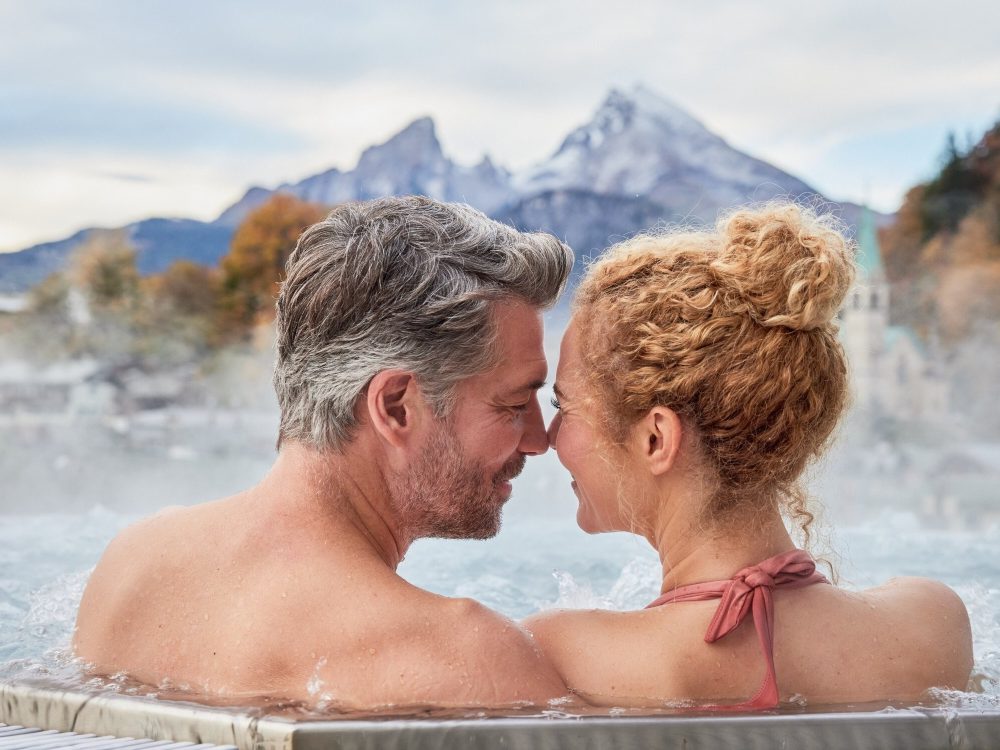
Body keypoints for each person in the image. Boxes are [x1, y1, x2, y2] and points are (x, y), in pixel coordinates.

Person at [74, 196, 573, 708]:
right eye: (514, 403)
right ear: (398, 408)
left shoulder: (130, 567)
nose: (539, 440)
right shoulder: (461, 660)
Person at [524, 203, 973, 709]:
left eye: (564, 406)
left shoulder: (564, 655)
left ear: (656, 439)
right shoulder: (932, 623)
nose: (546, 436)